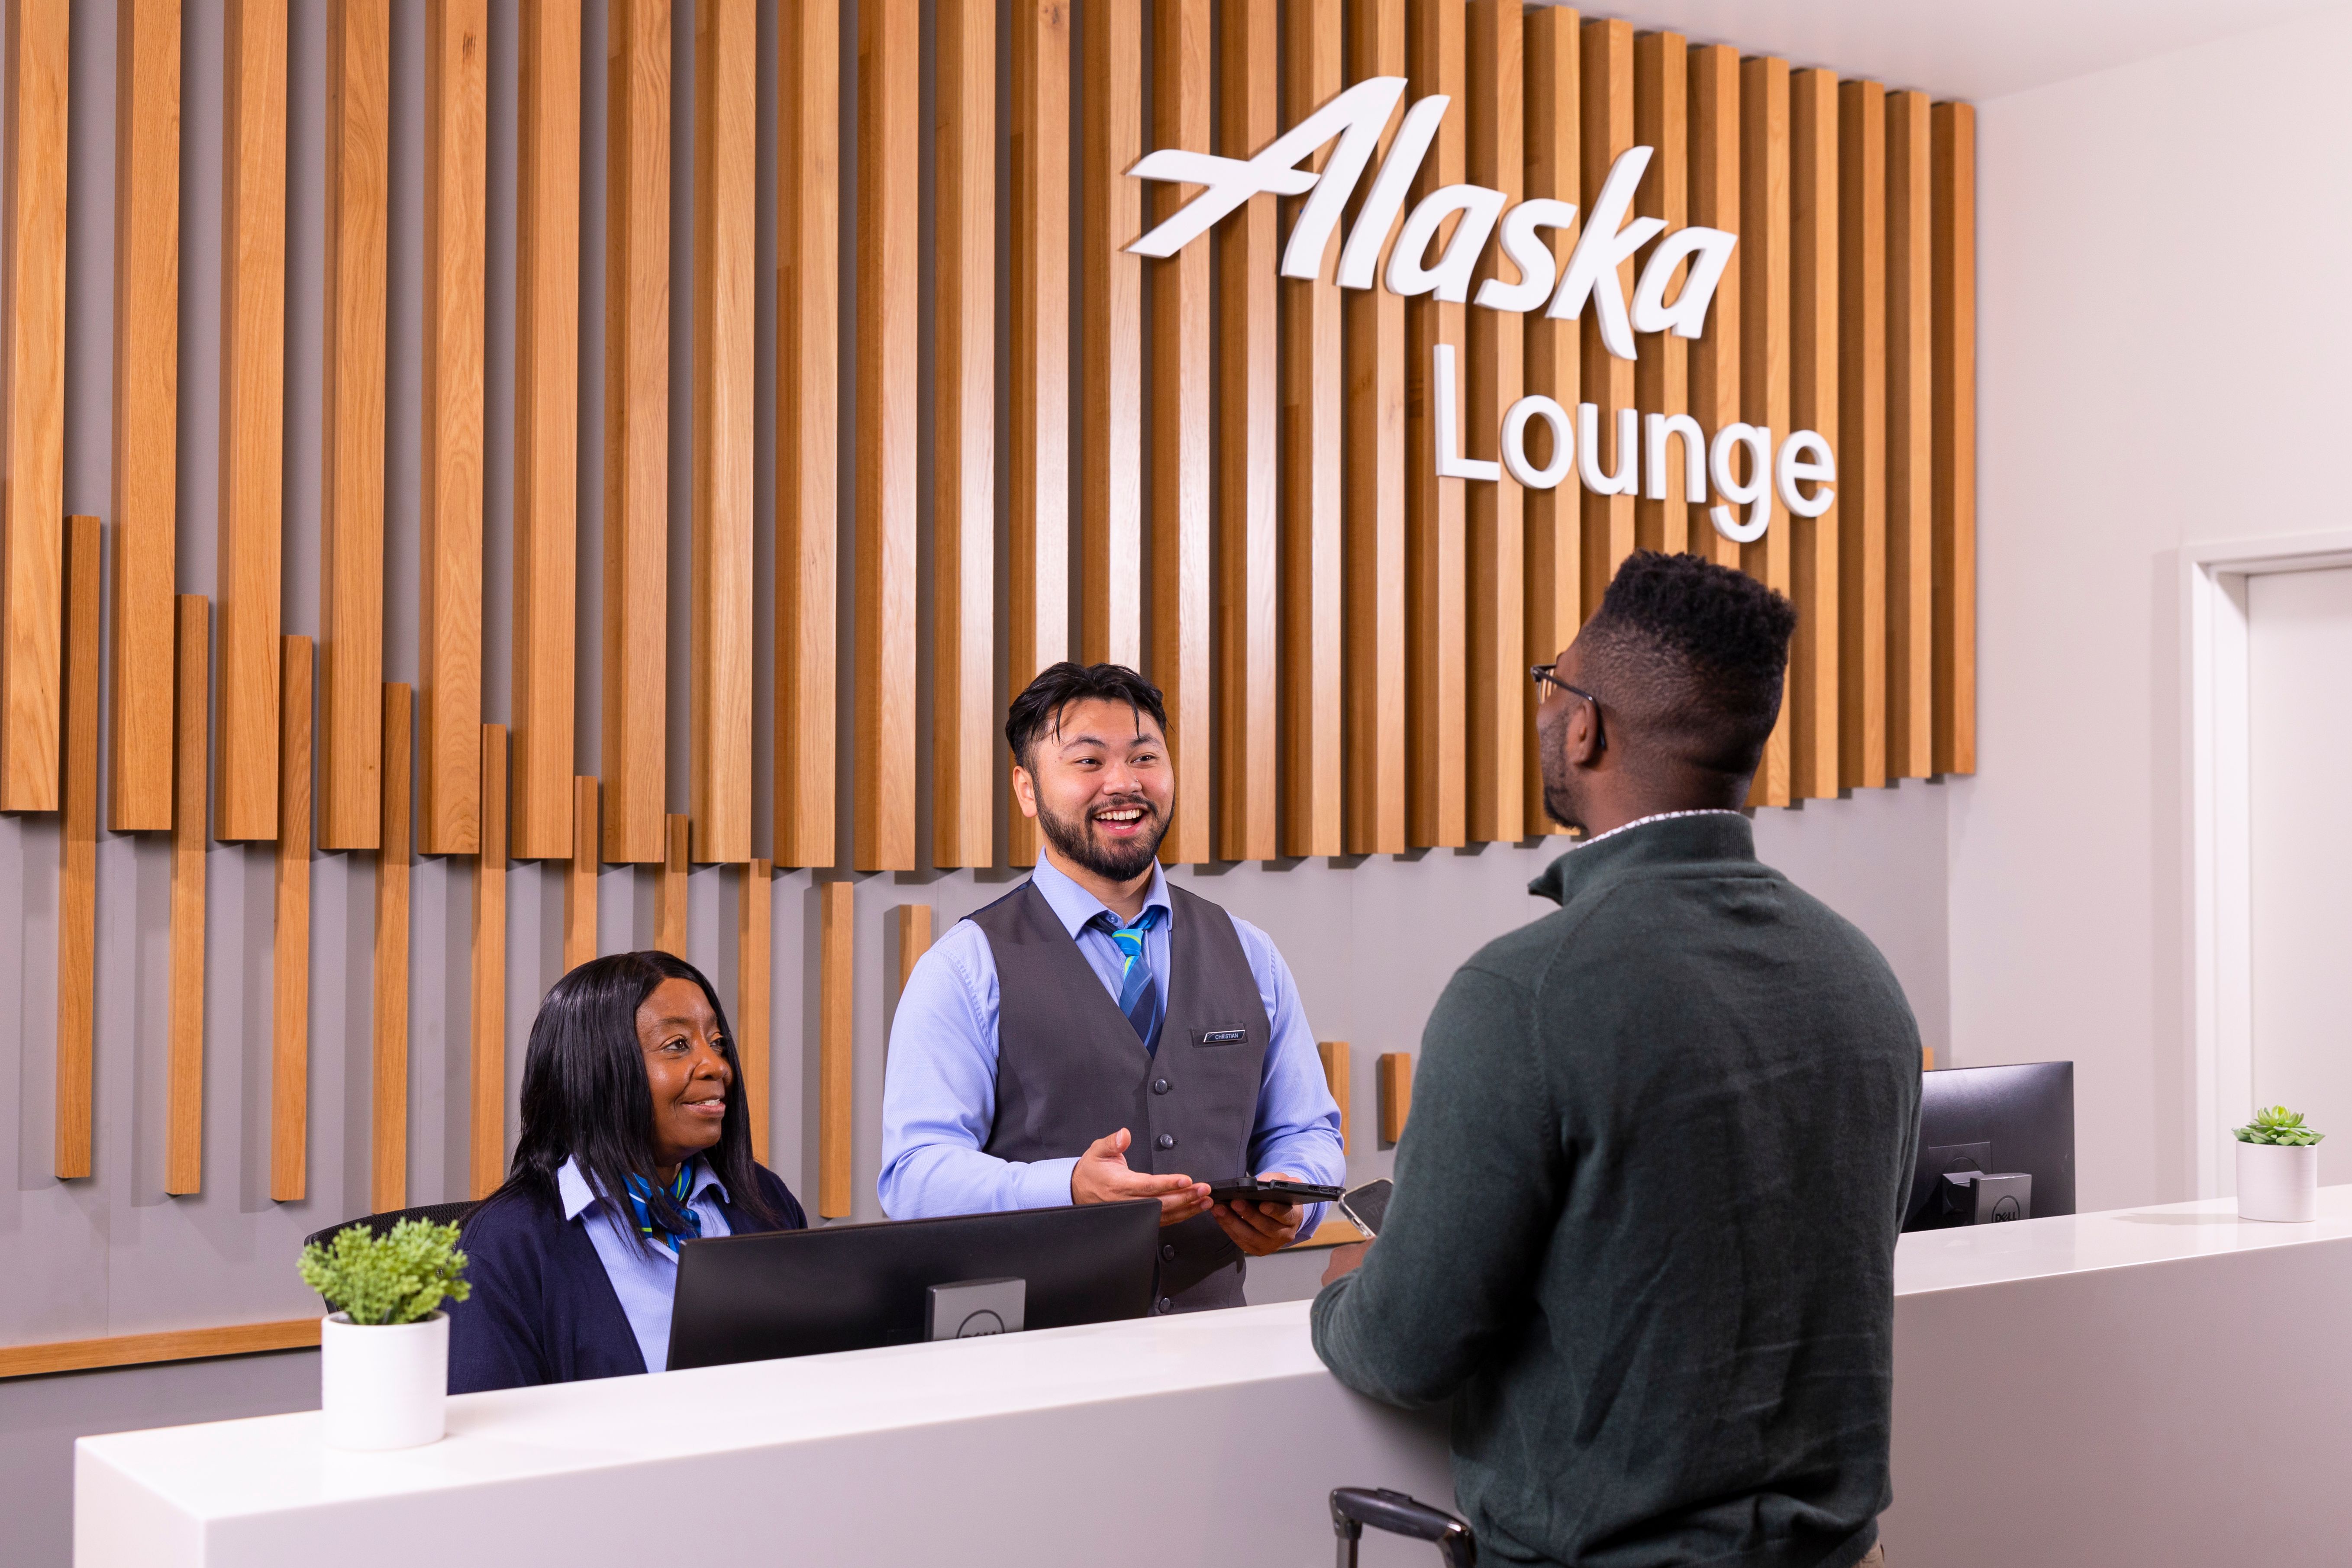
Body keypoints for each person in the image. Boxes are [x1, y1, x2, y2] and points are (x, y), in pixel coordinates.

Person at [1312, 552, 1921, 1568]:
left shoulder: (1520, 993)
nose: (1544, 709)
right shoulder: (1860, 973)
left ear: (1586, 727)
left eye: (1551, 684)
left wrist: (1347, 1286)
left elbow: (1406, 1348)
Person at [880, 661, 1345, 1313]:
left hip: (1216, 1352)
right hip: (1035, 1355)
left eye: (1144, 757)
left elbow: (1307, 1129)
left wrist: (1295, 1199)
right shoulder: (964, 967)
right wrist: (1067, 1187)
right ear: (1027, 788)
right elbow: (914, 1177)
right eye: (1088, 761)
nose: (1124, 783)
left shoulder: (1250, 953)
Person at [448, 952, 807, 1391]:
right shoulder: (505, 1247)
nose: (718, 1066)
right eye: (677, 1045)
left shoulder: (765, 1198)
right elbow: (490, 1427)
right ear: (596, 1070)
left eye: (716, 1042)